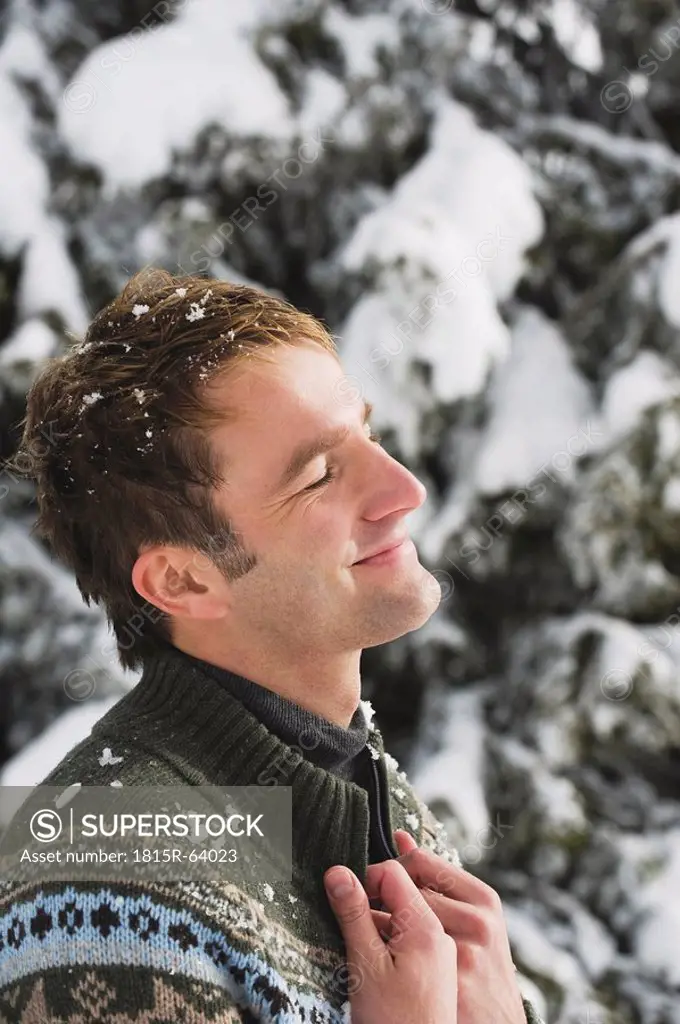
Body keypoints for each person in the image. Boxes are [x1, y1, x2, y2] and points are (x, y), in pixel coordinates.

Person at [0, 268, 543, 1023]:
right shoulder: (96, 896)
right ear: (185, 581)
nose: (405, 488)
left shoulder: (353, 783)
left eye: (369, 433)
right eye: (320, 475)